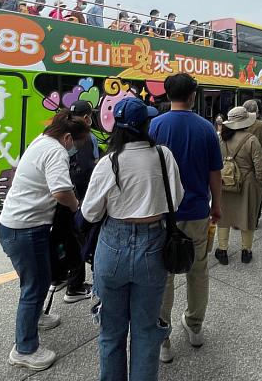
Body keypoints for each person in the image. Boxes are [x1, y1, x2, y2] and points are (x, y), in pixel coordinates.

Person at [82, 97, 184, 381]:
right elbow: (175, 200)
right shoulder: (164, 156)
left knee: (111, 333)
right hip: (154, 245)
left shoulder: (109, 162)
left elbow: (90, 213)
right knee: (147, 332)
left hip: (113, 245)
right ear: (146, 124)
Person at [0, 110, 91, 371]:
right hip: (25, 229)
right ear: (68, 137)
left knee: (37, 279)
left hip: (18, 225)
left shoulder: (42, 140)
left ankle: (36, 317)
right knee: (35, 285)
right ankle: (24, 349)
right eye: (78, 142)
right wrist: (78, 208)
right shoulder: (56, 151)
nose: (77, 148)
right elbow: (61, 191)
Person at [149, 73, 222, 364]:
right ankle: (194, 327)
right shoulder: (206, 129)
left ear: (167, 95)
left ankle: (163, 339)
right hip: (196, 212)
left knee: (162, 276)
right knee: (198, 270)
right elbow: (214, 173)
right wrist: (216, 205)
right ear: (193, 95)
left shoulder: (153, 126)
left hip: (161, 215)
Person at [214, 106, 262, 264]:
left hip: (225, 180)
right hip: (247, 182)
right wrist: (259, 184)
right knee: (247, 216)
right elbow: (260, 167)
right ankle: (246, 250)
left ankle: (222, 250)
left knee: (223, 217)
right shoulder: (251, 140)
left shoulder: (221, 139)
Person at [64, 100, 101, 303]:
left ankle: (63, 278)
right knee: (83, 239)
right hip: (80, 198)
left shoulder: (59, 134)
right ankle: (75, 286)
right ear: (87, 117)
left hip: (63, 198)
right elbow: (94, 167)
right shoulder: (89, 137)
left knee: (69, 239)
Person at [242, 100, 262, 216]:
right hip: (260, 159)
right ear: (257, 111)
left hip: (243, 160)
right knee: (261, 184)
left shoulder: (238, 124)